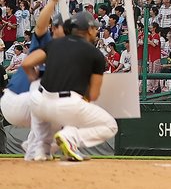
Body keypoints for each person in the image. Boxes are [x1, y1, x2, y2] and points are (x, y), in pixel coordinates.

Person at [22, 11, 117, 162]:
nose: (96, 31)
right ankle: (70, 138)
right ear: (88, 29)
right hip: (66, 104)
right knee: (110, 125)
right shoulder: (95, 54)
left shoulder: (54, 43)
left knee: (59, 123)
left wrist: (33, 78)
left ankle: (40, 149)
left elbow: (26, 63)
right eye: (94, 28)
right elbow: (93, 94)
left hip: (39, 101)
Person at [2, 0, 63, 161]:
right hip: (15, 100)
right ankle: (36, 148)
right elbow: (41, 25)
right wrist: (52, 1)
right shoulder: (46, 42)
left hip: (30, 107)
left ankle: (35, 145)